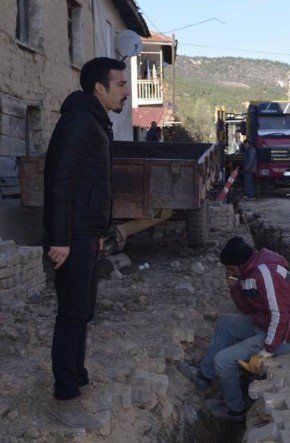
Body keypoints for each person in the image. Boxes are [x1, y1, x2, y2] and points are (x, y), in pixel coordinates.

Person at [43, 57, 129, 429]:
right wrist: (61, 239)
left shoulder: (94, 121)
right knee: (72, 315)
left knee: (83, 311)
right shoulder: (80, 122)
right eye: (121, 84)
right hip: (72, 236)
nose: (126, 91)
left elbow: (89, 186)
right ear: (100, 88)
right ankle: (64, 399)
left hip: (84, 235)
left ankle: (76, 376)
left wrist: (97, 234)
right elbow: (60, 181)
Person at [176, 237, 290, 422]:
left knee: (223, 360)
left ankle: (236, 411)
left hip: (284, 337)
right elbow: (248, 310)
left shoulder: (265, 273)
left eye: (230, 269)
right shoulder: (250, 273)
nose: (229, 273)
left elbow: (280, 316)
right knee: (226, 323)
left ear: (240, 263)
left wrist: (266, 352)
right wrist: (235, 288)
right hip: (267, 324)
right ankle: (204, 378)